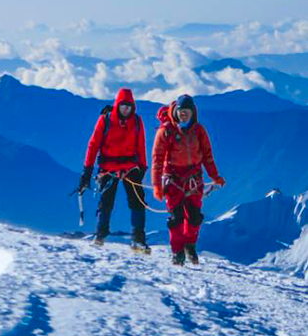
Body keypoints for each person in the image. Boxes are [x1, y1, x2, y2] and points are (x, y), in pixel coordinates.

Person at [152, 94, 225, 265]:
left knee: (194, 217)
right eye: (181, 111)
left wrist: (215, 176)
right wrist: (157, 185)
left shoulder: (199, 131)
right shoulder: (166, 131)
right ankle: (177, 251)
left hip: (194, 179)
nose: (183, 114)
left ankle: (190, 246)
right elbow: (157, 159)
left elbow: (207, 156)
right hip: (173, 179)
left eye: (187, 111)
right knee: (175, 218)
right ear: (176, 111)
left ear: (192, 112)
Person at [78, 87, 150, 252]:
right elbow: (93, 145)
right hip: (108, 168)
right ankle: (100, 234)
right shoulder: (105, 120)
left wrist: (142, 167)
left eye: (129, 106)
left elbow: (141, 145)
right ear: (118, 105)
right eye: (124, 106)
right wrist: (87, 170)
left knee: (138, 201)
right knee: (106, 202)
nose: (126, 109)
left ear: (133, 107)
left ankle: (138, 239)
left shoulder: (137, 122)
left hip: (130, 168)